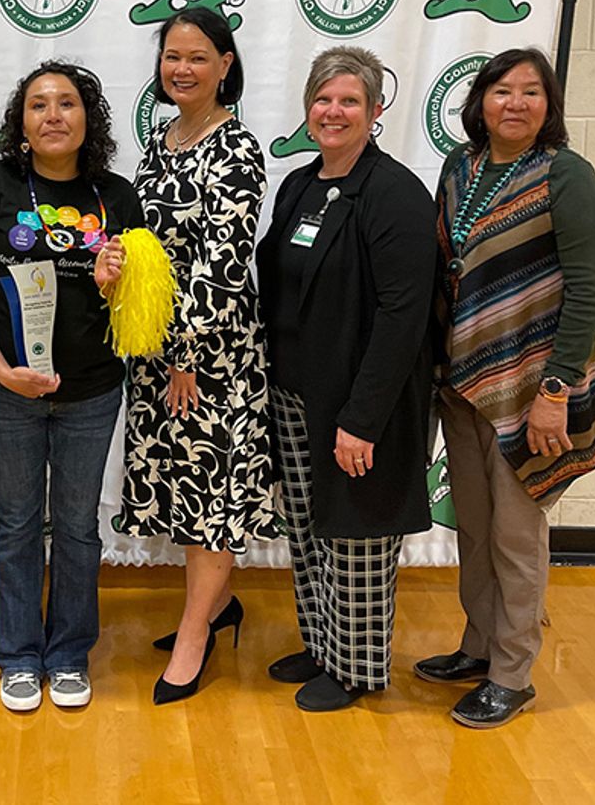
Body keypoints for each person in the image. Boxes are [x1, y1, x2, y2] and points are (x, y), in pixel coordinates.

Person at [414, 48, 595, 728]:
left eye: (532, 92)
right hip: (465, 383)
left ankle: (513, 672)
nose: (516, 103)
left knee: (516, 533)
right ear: (481, 101)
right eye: (503, 91)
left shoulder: (567, 176)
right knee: (472, 525)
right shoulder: (459, 169)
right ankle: (478, 643)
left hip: (533, 390)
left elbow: (590, 289)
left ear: (548, 106)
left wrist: (556, 390)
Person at [0, 62, 143, 712]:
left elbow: (136, 307)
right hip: (5, 390)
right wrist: (1, 369)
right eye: (38, 105)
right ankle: (19, 655)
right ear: (21, 122)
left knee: (79, 528)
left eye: (67, 103)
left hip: (90, 391)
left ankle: (69, 652)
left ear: (90, 119)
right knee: (20, 525)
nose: (53, 114)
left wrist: (119, 283)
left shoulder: (117, 195)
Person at [254, 46, 437, 712]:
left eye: (349, 101)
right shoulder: (301, 185)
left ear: (375, 110)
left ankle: (357, 668)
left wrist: (362, 418)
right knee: (306, 526)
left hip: (361, 403)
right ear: (309, 108)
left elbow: (402, 318)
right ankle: (323, 645)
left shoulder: (393, 195)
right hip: (297, 393)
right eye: (324, 100)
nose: (333, 112)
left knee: (358, 533)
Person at [113, 7, 280, 706]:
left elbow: (223, 264)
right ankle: (219, 605)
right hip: (158, 350)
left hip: (210, 356)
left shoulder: (236, 150)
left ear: (226, 66)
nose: (181, 68)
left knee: (211, 495)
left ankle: (193, 635)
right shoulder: (162, 138)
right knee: (184, 489)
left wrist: (186, 351)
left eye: (198, 57)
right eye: (171, 56)